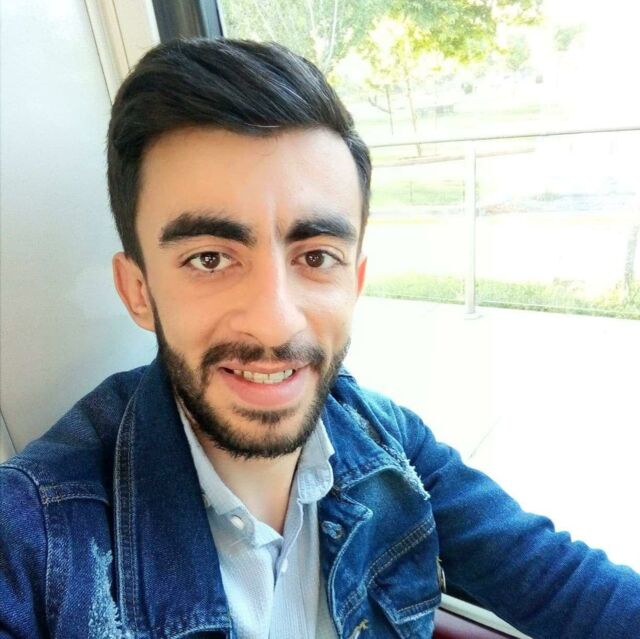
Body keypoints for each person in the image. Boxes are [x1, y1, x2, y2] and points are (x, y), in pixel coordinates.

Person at [1, 38, 639, 639]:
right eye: (209, 259)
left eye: (315, 257)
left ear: (355, 281)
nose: (275, 323)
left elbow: (562, 583)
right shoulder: (30, 538)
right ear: (139, 290)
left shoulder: (387, 443)